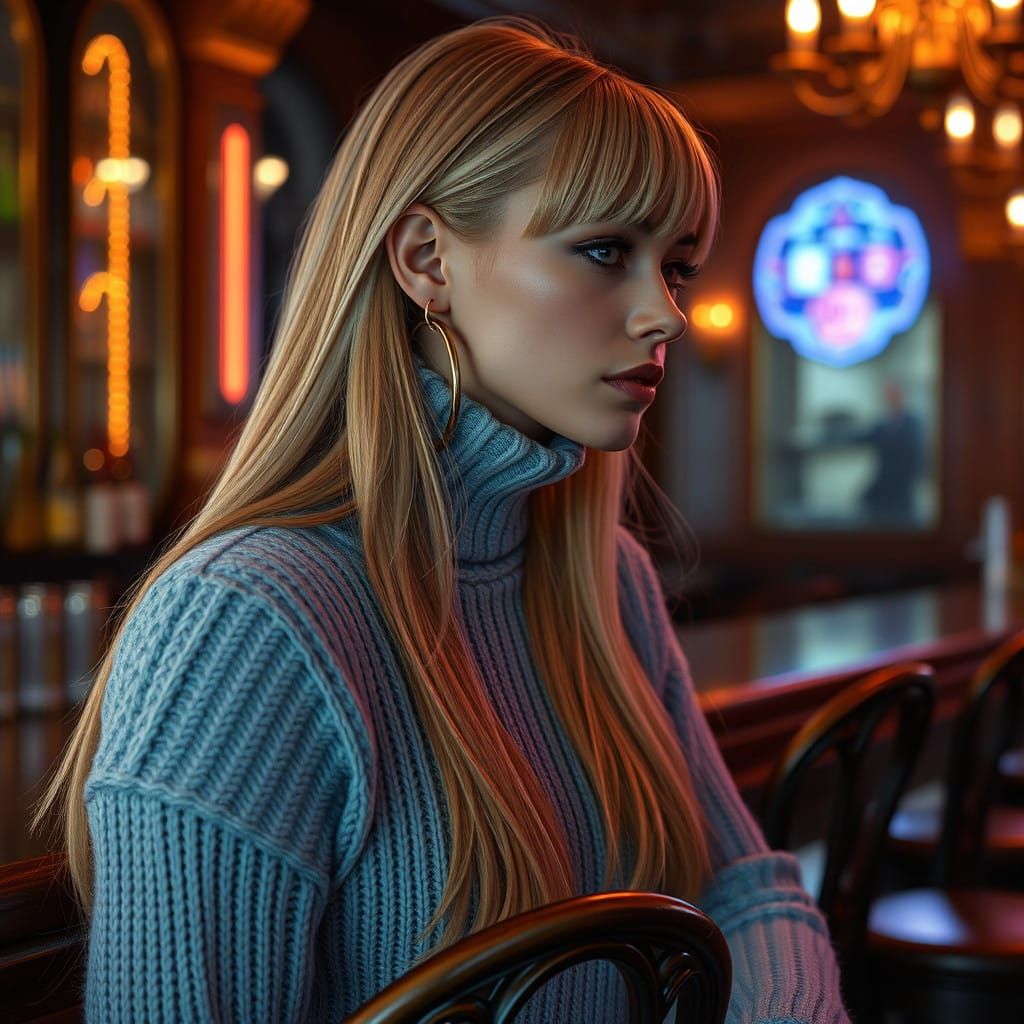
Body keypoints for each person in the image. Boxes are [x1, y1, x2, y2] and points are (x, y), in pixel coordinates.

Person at [34, 16, 849, 1023]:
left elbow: (743, 886)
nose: (666, 313)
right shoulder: (246, 623)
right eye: (605, 250)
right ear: (425, 259)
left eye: (675, 266)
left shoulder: (604, 575)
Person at [859, 380, 925, 525]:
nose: (890, 398)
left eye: (894, 394)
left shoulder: (913, 423)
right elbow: (863, 438)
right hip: (884, 483)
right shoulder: (882, 424)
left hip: (902, 487)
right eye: (888, 395)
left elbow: (916, 455)